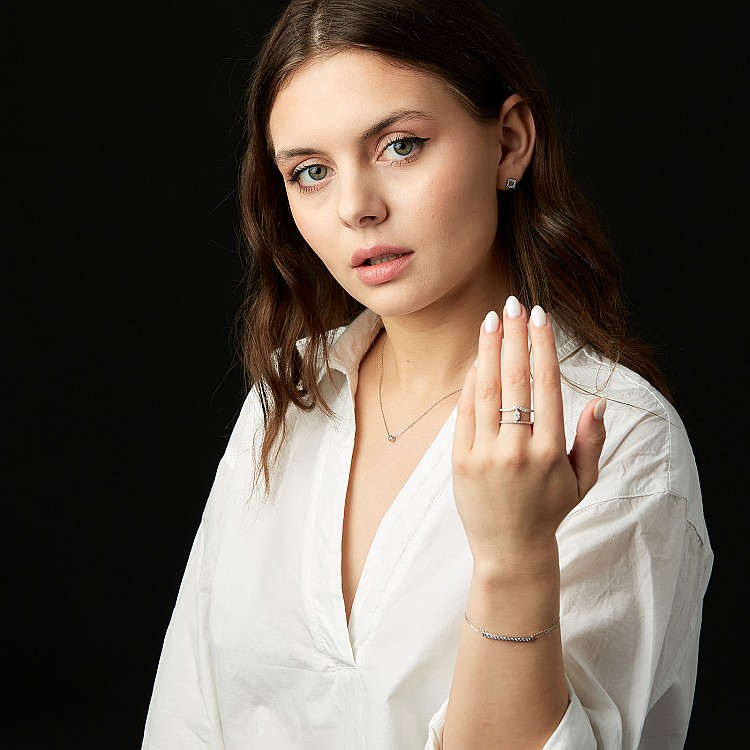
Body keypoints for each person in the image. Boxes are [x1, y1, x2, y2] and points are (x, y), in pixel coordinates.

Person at [141, 0, 713, 747]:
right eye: (310, 171)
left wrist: (514, 560)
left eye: (401, 146)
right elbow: (189, 713)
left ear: (509, 142)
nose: (356, 208)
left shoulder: (618, 441)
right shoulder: (289, 394)